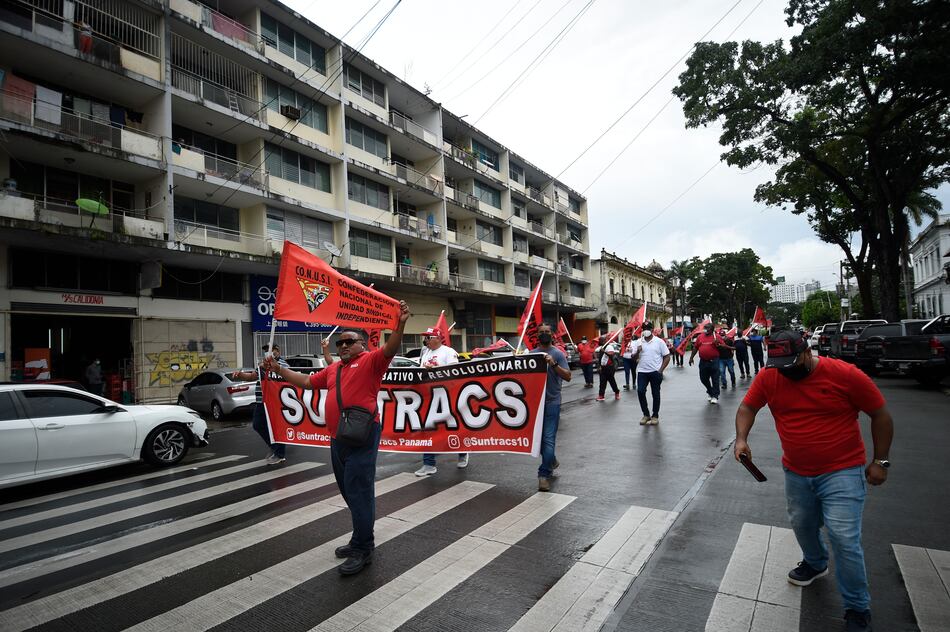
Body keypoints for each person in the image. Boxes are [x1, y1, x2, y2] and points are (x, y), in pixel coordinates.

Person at [735, 330, 893, 632]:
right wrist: (741, 439)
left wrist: (880, 461)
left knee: (844, 538)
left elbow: (880, 414)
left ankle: (858, 608)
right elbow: (748, 407)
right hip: (796, 471)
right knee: (802, 524)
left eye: (792, 364)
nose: (787, 371)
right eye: (780, 365)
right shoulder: (771, 375)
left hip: (842, 470)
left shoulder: (845, 375)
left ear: (807, 352)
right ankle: (816, 561)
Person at [267, 301, 410, 576]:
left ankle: (363, 549)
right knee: (349, 491)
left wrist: (400, 323)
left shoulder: (371, 361)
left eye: (349, 341)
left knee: (359, 491)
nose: (342, 346)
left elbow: (391, 348)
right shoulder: (334, 369)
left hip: (363, 437)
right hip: (338, 438)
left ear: (361, 344)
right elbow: (307, 382)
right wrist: (278, 369)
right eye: (339, 343)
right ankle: (359, 538)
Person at [414, 327, 468, 475]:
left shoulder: (449, 352)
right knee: (428, 428)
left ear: (437, 338)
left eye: (428, 337)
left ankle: (463, 452)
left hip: (447, 396)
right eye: (425, 337)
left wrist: (436, 369)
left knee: (453, 427)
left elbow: (455, 372)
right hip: (429, 396)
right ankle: (429, 464)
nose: (426, 340)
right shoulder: (426, 353)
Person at [232, 344, 290, 465]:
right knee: (258, 425)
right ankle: (275, 447)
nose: (267, 353)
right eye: (265, 351)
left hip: (275, 402)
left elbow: (289, 381)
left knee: (275, 427)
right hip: (261, 401)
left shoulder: (283, 365)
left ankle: (280, 453)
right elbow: (252, 376)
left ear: (277, 351)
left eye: (270, 350)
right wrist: (240, 375)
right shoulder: (262, 366)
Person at [531, 323, 571, 492]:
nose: (544, 334)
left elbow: (568, 376)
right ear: (537, 335)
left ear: (552, 334)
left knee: (548, 439)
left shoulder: (557, 354)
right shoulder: (532, 354)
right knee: (537, 441)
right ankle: (551, 459)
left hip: (552, 403)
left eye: (547, 332)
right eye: (541, 332)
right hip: (534, 404)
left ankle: (544, 474)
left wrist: (553, 364)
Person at [631, 321, 671, 425]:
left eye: (648, 328)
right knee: (640, 391)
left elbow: (667, 356)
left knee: (655, 394)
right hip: (642, 372)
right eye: (644, 329)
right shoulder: (638, 342)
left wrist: (661, 370)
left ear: (652, 330)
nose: (646, 331)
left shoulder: (659, 342)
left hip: (655, 372)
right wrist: (638, 351)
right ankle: (646, 414)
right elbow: (633, 358)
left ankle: (655, 415)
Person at [689, 323, 724, 404]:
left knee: (715, 379)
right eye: (705, 328)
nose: (705, 329)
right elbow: (696, 347)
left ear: (712, 329)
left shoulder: (717, 337)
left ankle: (715, 396)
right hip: (703, 361)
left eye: (707, 328)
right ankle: (710, 391)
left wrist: (717, 344)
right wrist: (691, 358)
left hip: (714, 361)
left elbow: (723, 347)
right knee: (703, 379)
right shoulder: (700, 337)